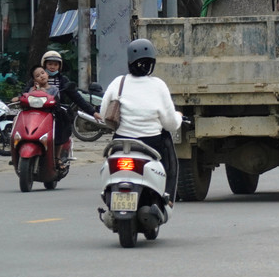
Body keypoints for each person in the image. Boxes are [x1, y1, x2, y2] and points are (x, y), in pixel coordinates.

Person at [98, 39, 183, 204]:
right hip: (151, 143)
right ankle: (168, 198)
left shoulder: (118, 83)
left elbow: (103, 114)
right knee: (171, 166)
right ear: (152, 63)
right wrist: (178, 117)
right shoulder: (158, 86)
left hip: (120, 143)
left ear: (129, 61)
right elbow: (170, 124)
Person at [40, 50, 101, 159]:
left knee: (61, 129)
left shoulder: (63, 80)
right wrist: (20, 97)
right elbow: (27, 90)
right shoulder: (37, 78)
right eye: (50, 64)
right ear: (44, 64)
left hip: (56, 112)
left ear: (60, 66)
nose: (52, 67)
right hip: (39, 110)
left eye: (55, 64)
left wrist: (93, 112)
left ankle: (58, 157)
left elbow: (77, 98)